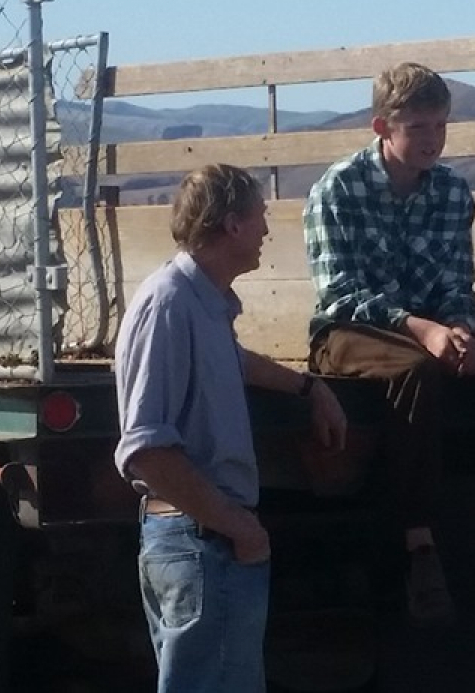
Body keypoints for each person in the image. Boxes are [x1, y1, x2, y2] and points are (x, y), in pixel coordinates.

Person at [303, 61, 475, 624]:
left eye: (441, 126)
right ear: (383, 128)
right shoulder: (337, 189)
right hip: (352, 331)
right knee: (413, 375)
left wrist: (462, 331)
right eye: (418, 128)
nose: (432, 140)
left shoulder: (451, 190)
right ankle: (418, 548)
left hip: (432, 327)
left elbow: (457, 280)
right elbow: (339, 293)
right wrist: (420, 330)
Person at [114, 163, 348, 692]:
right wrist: (239, 528)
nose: (267, 229)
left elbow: (233, 361)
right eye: (260, 215)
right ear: (233, 225)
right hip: (202, 542)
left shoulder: (203, 305)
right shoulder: (169, 303)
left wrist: (309, 388)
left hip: (207, 540)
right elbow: (147, 449)